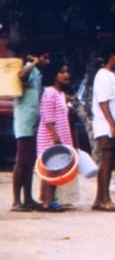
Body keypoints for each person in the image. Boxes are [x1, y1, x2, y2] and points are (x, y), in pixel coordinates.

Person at [90, 42, 115, 211]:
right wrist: (112, 125)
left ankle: (99, 199)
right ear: (111, 56)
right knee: (107, 161)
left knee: (109, 161)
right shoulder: (103, 75)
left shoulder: (112, 76)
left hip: (114, 126)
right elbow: (103, 102)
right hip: (107, 127)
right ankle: (105, 199)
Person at [11, 46, 50, 212]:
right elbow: (21, 76)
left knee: (29, 162)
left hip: (34, 123)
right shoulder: (29, 71)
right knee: (21, 162)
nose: (47, 61)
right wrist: (32, 63)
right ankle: (16, 200)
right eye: (45, 58)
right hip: (25, 122)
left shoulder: (38, 75)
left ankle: (27, 198)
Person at [36, 60, 74, 211]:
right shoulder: (49, 92)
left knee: (56, 169)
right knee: (49, 169)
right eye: (62, 72)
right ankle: (47, 201)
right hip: (50, 138)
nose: (66, 75)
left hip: (61, 137)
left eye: (66, 72)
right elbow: (48, 117)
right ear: (53, 75)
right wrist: (55, 136)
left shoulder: (61, 94)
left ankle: (47, 199)